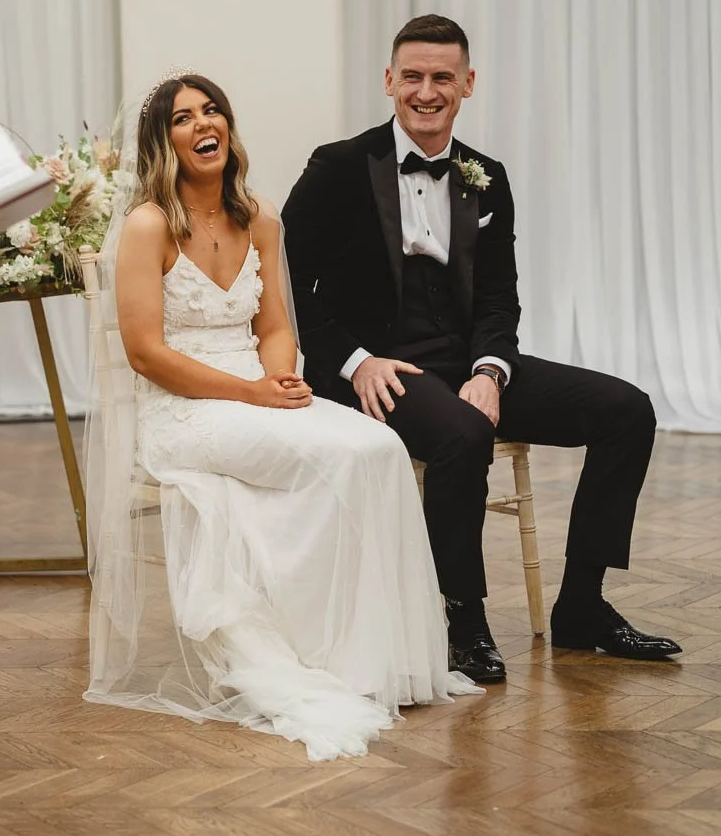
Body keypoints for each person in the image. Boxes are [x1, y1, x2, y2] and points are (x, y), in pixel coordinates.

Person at [84, 69, 478, 762]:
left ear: (229, 128)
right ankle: (324, 657)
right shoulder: (149, 226)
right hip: (183, 410)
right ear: (163, 141)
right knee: (336, 458)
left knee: (377, 449)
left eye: (213, 112)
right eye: (183, 118)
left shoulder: (259, 215)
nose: (204, 125)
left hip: (257, 389)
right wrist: (252, 396)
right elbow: (146, 354)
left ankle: (387, 658)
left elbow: (274, 325)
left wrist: (279, 375)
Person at [282, 14, 681, 685]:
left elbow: (499, 297)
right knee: (463, 436)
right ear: (389, 81)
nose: (427, 90)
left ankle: (582, 605)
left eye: (443, 77)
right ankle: (461, 619)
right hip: (380, 369)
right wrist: (355, 362)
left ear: (468, 84)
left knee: (627, 409)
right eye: (413, 76)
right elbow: (288, 281)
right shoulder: (340, 166)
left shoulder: (484, 176)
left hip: (465, 363)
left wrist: (492, 370)